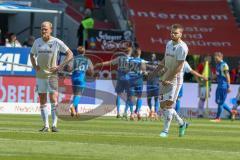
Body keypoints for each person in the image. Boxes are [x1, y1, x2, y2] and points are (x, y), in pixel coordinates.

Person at [30, 21, 73, 132]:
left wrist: (60, 66)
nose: (43, 31)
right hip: (40, 76)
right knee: (42, 100)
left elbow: (70, 54)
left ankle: (54, 125)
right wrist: (35, 65)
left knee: (53, 99)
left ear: (51, 29)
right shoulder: (37, 42)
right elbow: (31, 54)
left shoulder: (56, 42)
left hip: (52, 76)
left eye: (45, 29)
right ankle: (46, 126)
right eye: (42, 29)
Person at [158, 24, 189, 138]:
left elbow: (180, 66)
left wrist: (169, 78)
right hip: (165, 76)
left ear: (181, 34)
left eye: (175, 33)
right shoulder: (169, 44)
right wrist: (158, 69)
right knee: (162, 106)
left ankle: (165, 131)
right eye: (171, 32)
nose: (172, 34)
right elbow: (166, 58)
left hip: (175, 79)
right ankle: (182, 123)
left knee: (169, 104)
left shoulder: (182, 47)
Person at [94, 46, 133, 118]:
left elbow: (109, 63)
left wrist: (99, 64)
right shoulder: (132, 59)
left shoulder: (120, 58)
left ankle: (118, 113)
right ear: (130, 52)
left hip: (120, 78)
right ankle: (129, 113)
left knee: (118, 95)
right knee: (129, 96)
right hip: (128, 79)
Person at [68, 46, 94, 117]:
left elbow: (69, 68)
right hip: (81, 77)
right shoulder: (87, 59)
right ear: (84, 52)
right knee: (78, 95)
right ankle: (73, 106)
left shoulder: (74, 58)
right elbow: (91, 70)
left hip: (74, 77)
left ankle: (76, 111)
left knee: (76, 94)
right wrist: (90, 73)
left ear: (77, 52)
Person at [210, 52, 232, 122]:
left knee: (220, 102)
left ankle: (218, 118)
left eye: (216, 58)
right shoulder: (218, 65)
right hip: (219, 85)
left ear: (220, 57)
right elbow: (216, 75)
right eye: (214, 58)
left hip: (223, 85)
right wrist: (209, 78)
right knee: (217, 101)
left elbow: (227, 75)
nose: (215, 59)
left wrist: (228, 86)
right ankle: (232, 112)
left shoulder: (224, 65)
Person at [127, 45, 146, 121]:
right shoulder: (142, 60)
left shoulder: (130, 60)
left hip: (131, 80)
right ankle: (137, 112)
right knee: (139, 97)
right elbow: (144, 71)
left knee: (131, 97)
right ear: (140, 53)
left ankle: (132, 113)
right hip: (138, 81)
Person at [147, 53, 160, 119]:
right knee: (148, 99)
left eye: (153, 56)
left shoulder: (158, 63)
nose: (152, 57)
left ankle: (156, 113)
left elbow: (162, 71)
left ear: (155, 57)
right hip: (149, 83)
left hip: (156, 83)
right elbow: (145, 72)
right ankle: (151, 111)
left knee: (156, 99)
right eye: (151, 56)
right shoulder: (147, 64)